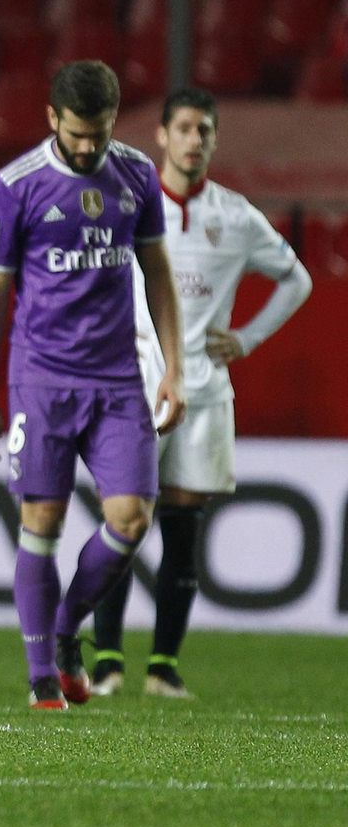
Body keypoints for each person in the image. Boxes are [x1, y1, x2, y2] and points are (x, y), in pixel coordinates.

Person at [0, 60, 187, 711]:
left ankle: (64, 627)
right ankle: (42, 674)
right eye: (76, 134)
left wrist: (174, 366)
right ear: (52, 119)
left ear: (113, 122)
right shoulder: (16, 185)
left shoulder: (137, 176)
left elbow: (158, 275)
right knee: (43, 519)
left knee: (130, 517)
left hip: (118, 377)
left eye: (98, 133)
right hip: (42, 377)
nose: (87, 146)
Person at [91, 89, 313, 697]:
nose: (195, 139)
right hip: (134, 388)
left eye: (205, 131)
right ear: (161, 136)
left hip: (205, 391)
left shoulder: (236, 216)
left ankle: (162, 670)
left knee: (183, 532)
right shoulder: (130, 204)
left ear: (214, 141)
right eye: (185, 128)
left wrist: (248, 337)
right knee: (124, 524)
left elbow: (297, 278)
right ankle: (107, 663)